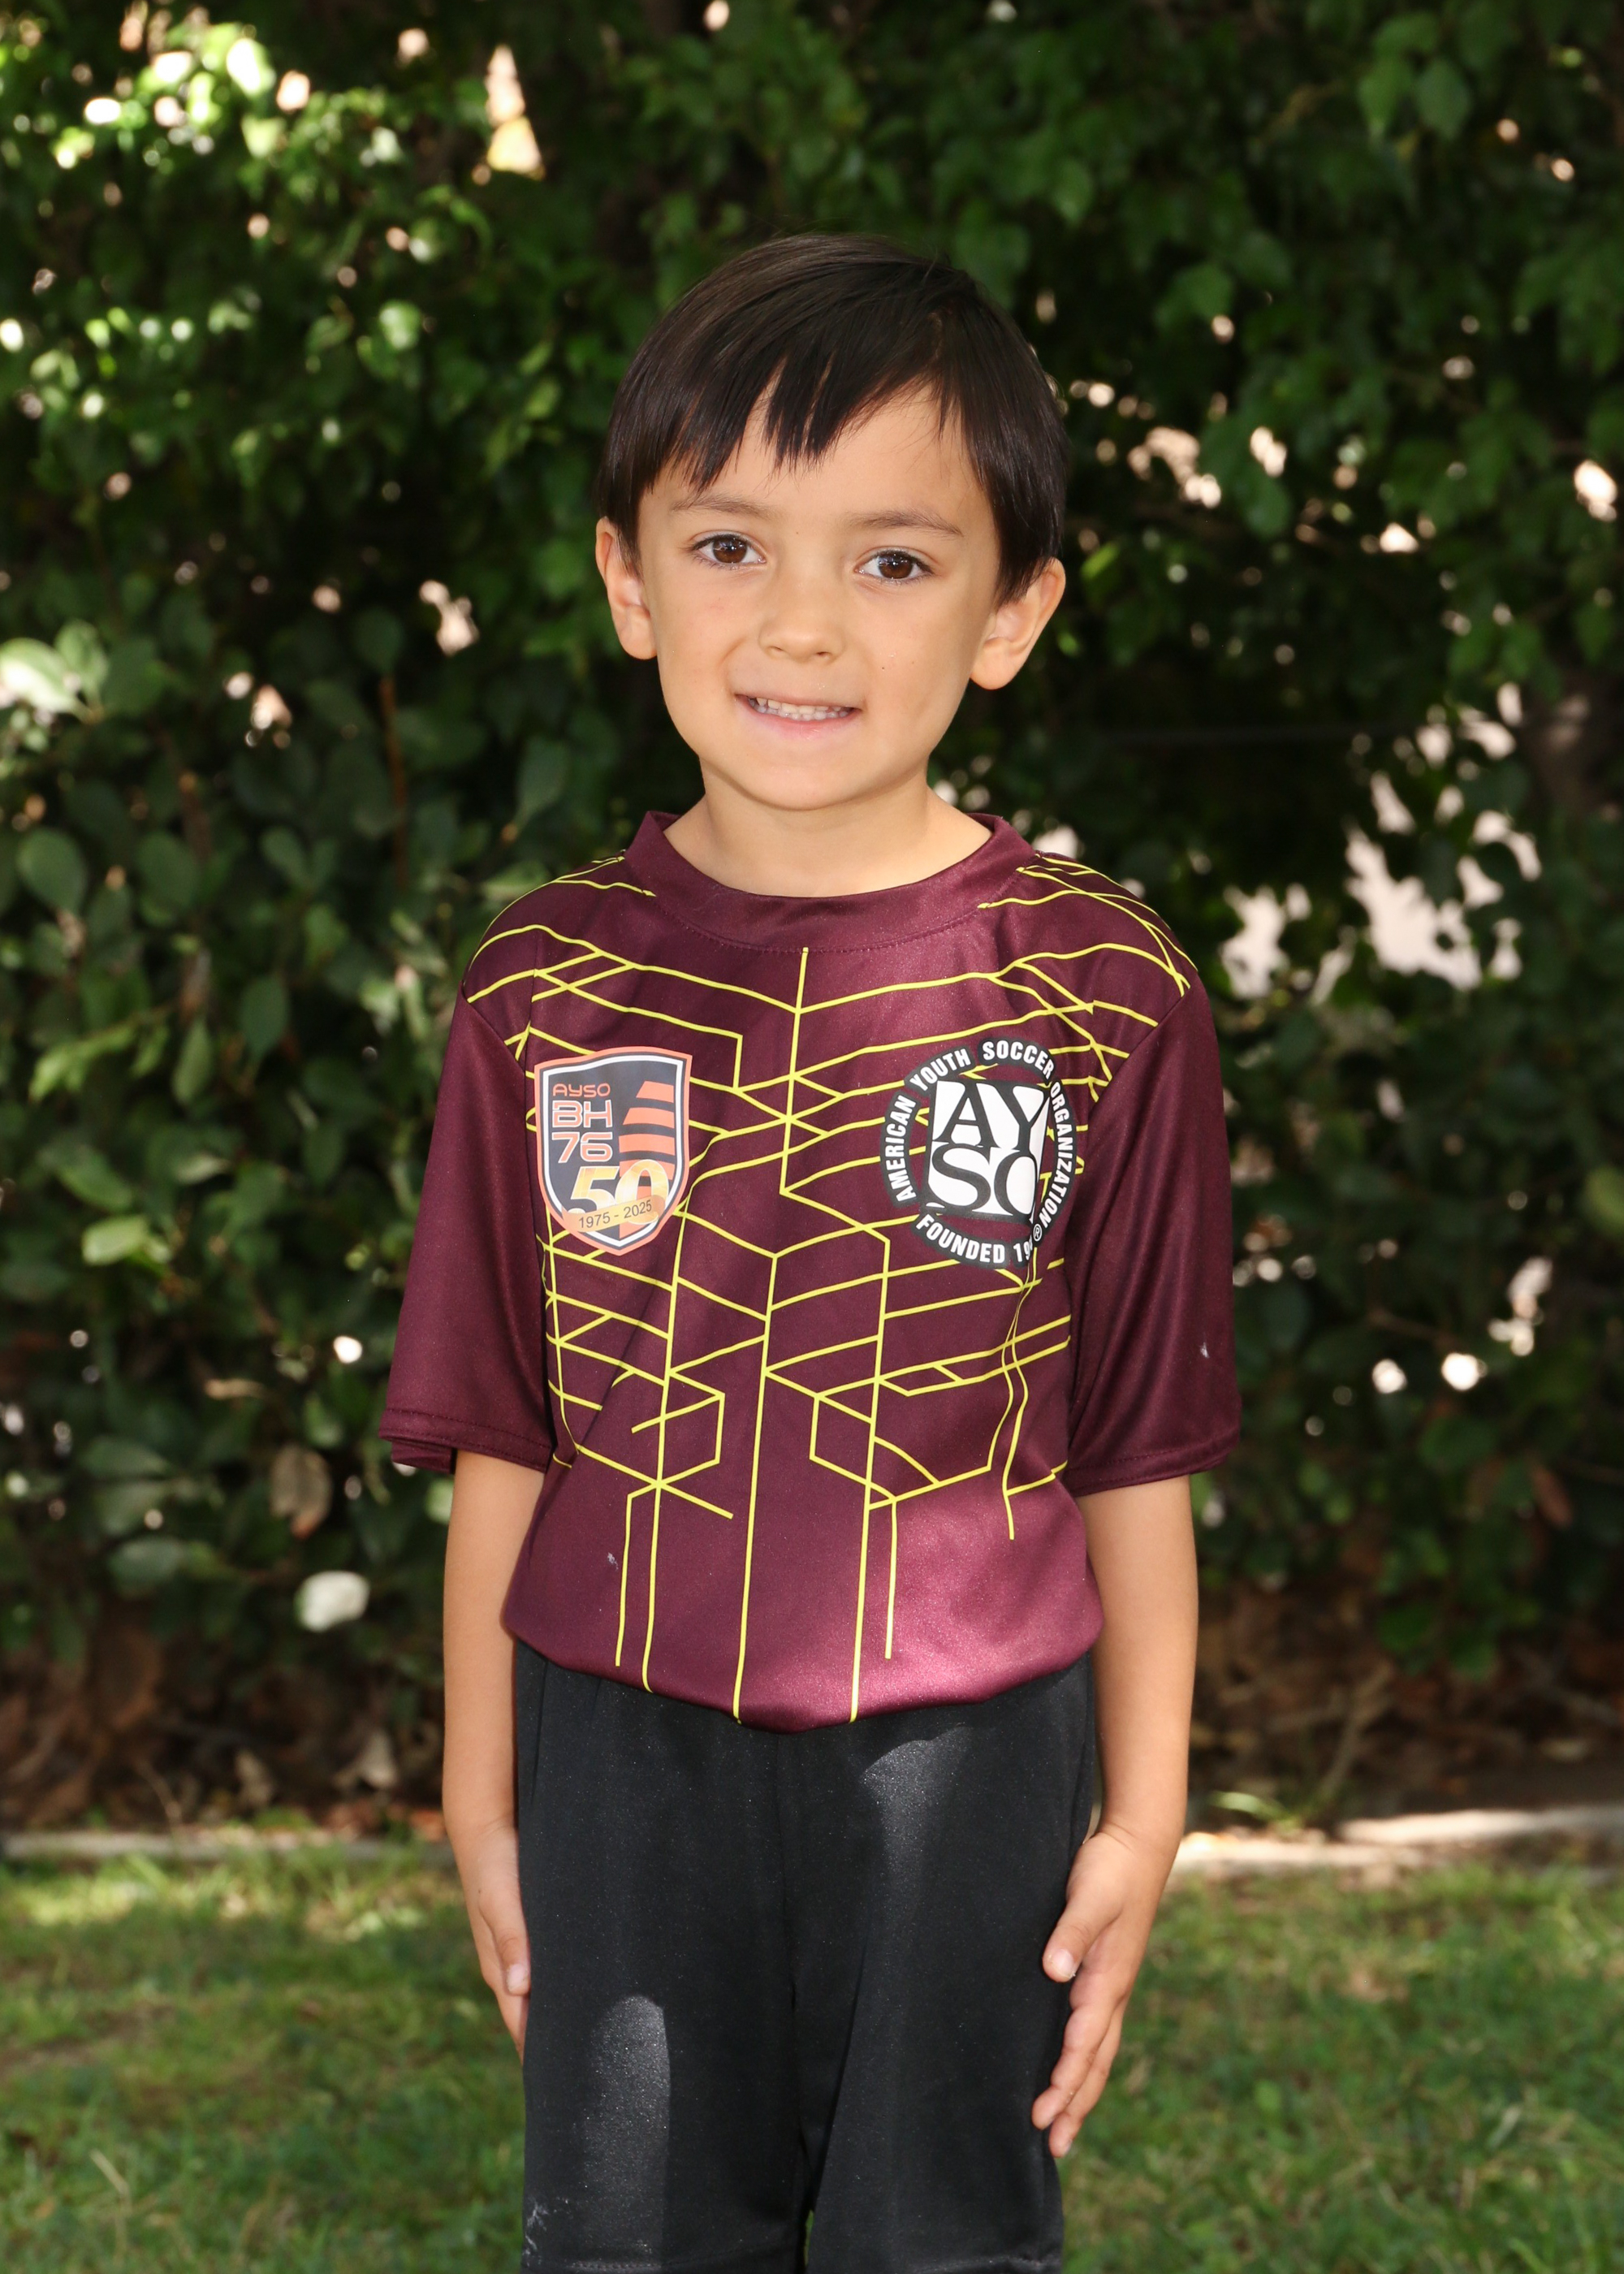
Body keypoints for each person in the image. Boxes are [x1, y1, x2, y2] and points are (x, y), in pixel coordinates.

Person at [381, 233, 1238, 2274]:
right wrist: (483, 1794)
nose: (800, 623)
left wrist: (1141, 1815)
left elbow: (1135, 1447)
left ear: (1011, 612)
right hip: (614, 1736)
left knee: (940, 2235)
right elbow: (504, 1424)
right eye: (729, 544)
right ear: (628, 580)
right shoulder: (544, 985)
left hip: (973, 1753)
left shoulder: (1102, 988)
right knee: (628, 2234)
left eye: (894, 559)